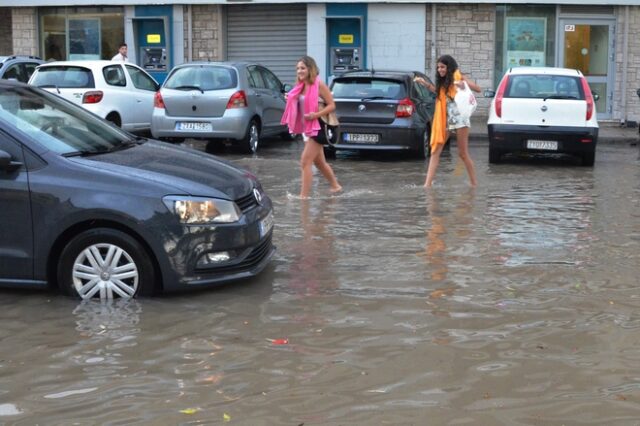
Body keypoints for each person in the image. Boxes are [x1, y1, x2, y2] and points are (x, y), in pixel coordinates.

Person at [414, 55, 481, 188]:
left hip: (461, 119)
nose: (440, 69)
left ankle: (474, 184)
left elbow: (478, 89)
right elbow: (439, 93)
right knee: (435, 151)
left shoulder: (459, 77)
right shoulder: (444, 82)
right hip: (446, 120)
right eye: (438, 67)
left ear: (449, 67)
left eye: (443, 67)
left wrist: (464, 84)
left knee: (462, 153)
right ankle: (427, 185)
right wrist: (425, 83)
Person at [281, 55, 342, 199]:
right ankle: (336, 186)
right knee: (319, 162)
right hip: (305, 129)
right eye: (297, 68)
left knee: (305, 161)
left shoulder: (319, 85)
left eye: (302, 68)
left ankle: (304, 197)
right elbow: (298, 105)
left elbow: (332, 105)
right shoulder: (299, 86)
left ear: (310, 69)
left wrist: (316, 115)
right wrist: (290, 99)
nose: (299, 71)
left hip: (317, 126)